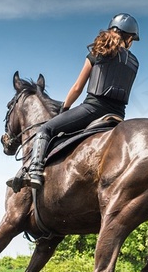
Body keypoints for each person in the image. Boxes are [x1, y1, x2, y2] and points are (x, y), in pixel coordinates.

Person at [10, 13, 140, 191]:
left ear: (111, 30)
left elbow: (77, 87)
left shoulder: (99, 51)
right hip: (118, 116)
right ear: (130, 38)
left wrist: (65, 109)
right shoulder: (134, 62)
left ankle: (34, 171)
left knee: (45, 129)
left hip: (93, 109)